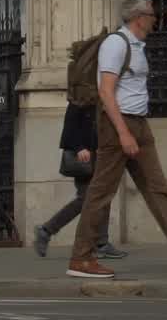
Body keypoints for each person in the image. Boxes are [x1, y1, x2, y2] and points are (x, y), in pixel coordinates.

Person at [64, 0, 167, 280]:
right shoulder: (116, 44)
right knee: (100, 193)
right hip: (118, 125)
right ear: (139, 17)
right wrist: (123, 133)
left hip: (139, 124)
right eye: (151, 13)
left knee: (157, 190)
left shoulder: (137, 46)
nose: (155, 17)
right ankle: (81, 257)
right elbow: (106, 91)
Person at [32, 96, 122, 260]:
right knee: (85, 199)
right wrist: (80, 148)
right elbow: (69, 129)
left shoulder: (101, 98)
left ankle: (101, 244)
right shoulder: (78, 100)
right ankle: (46, 230)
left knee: (104, 196)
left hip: (100, 154)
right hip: (84, 157)